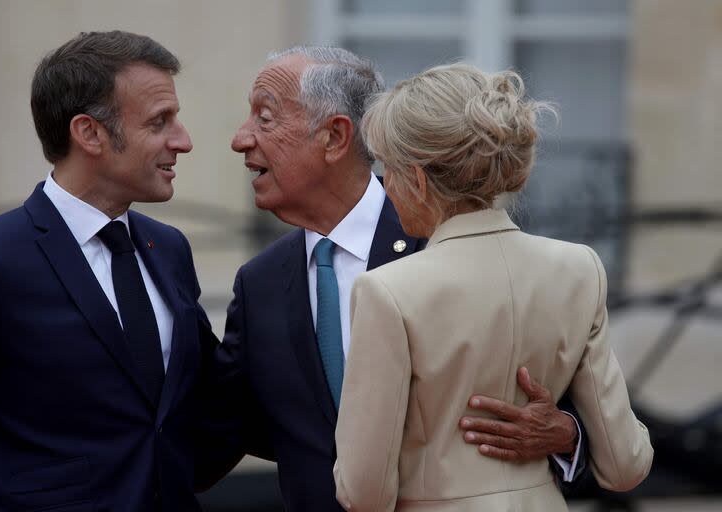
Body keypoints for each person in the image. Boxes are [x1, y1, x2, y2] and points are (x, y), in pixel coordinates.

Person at [212, 46, 589, 511]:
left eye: (265, 118)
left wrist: (567, 435)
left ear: (334, 136)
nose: (240, 139)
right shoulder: (259, 283)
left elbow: (576, 407)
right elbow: (217, 435)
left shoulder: (454, 241)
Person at [333, 63, 653, 511]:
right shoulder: (580, 269)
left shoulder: (386, 291)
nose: (386, 188)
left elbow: (364, 491)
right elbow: (625, 465)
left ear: (420, 180)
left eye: (390, 170)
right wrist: (567, 431)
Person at [0, 31, 223, 511]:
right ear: (89, 133)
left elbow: (210, 401)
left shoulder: (169, 250)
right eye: (160, 122)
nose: (182, 141)